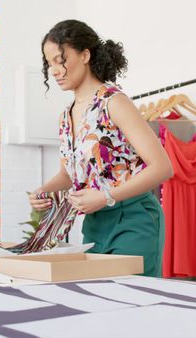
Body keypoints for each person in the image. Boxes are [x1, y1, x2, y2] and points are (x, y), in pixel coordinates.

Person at [29, 20, 173, 277]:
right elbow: (67, 175)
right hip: (94, 224)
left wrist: (107, 196)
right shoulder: (65, 116)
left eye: (60, 59)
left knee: (133, 304)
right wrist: (44, 190)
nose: (54, 70)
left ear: (85, 55)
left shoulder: (114, 102)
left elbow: (162, 167)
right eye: (49, 62)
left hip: (134, 220)